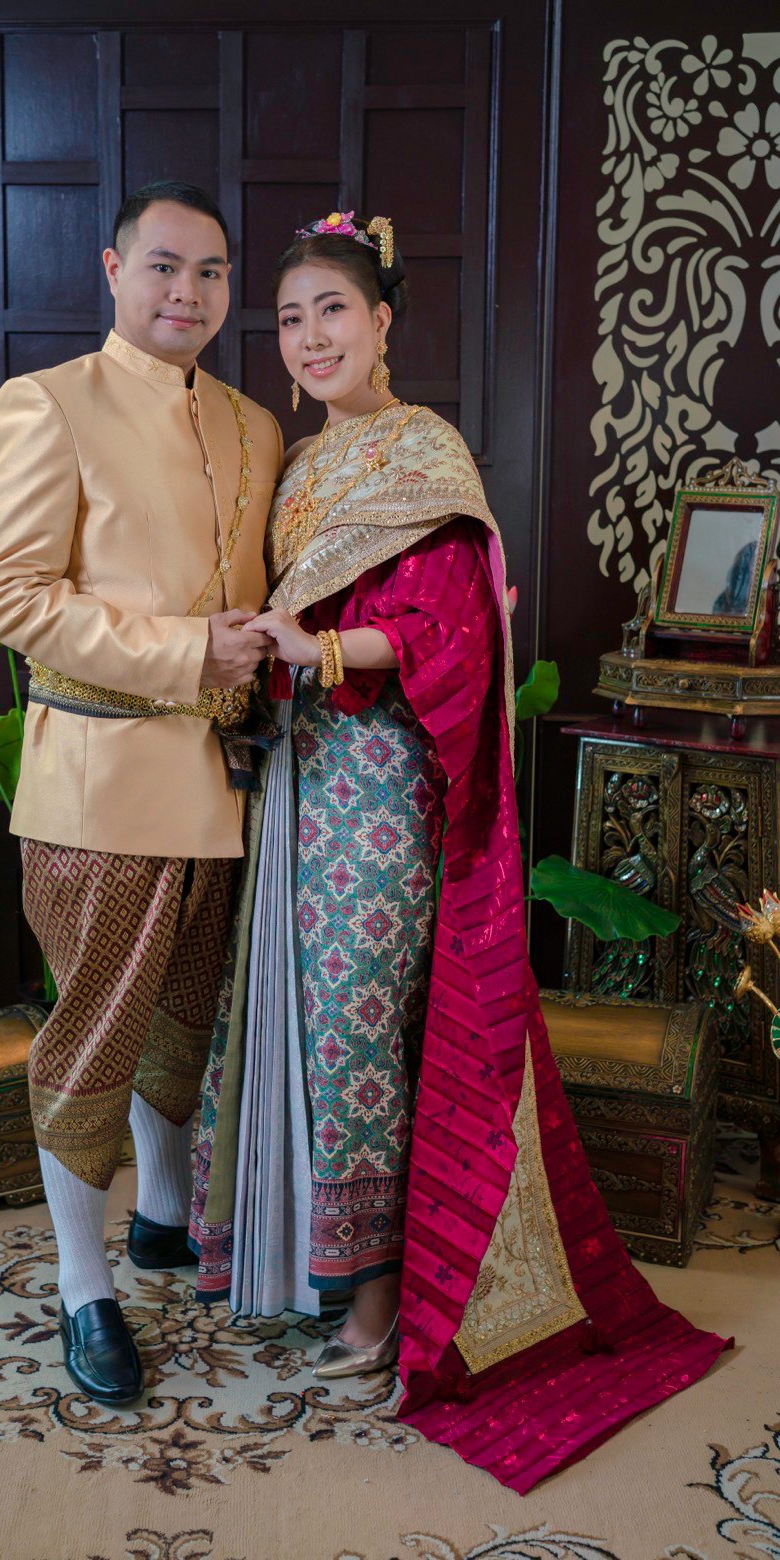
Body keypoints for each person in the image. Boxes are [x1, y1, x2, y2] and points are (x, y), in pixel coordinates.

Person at [189, 209, 730, 1491]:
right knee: (301, 1021)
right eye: (290, 319)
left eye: (333, 310)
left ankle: (385, 1306)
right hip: (299, 780)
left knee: (359, 1029)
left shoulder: (421, 452)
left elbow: (450, 632)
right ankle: (319, 1271)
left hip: (381, 784)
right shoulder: (299, 468)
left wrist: (313, 646)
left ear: (383, 321)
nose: (311, 338)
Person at [0, 181, 282, 1407]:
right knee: (95, 1036)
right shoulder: (48, 404)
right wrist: (189, 651)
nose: (186, 293)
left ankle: (161, 1217)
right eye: (163, 266)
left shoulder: (256, 425)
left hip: (226, 787)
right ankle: (83, 1283)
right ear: (113, 270)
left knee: (186, 1023)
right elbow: (8, 598)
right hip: (99, 789)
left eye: (210, 273)